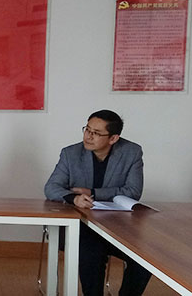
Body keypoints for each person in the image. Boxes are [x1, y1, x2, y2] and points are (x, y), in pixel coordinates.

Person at [44, 109, 152, 296]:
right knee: (91, 253)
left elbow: (133, 192)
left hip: (117, 227)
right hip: (79, 226)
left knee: (145, 257)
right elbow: (51, 188)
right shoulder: (70, 153)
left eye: (96, 133)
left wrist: (92, 193)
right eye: (87, 129)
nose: (88, 136)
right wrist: (74, 198)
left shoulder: (132, 152)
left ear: (113, 138)